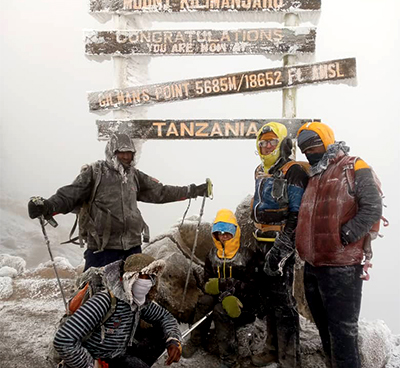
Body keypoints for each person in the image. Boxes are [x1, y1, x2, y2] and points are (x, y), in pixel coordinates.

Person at [28, 132, 210, 270]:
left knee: (135, 297)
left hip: (132, 247)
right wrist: (48, 205)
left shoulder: (134, 176)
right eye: (121, 152)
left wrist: (193, 190)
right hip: (102, 249)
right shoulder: (95, 172)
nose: (125, 156)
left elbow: (161, 192)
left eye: (129, 153)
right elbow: (69, 195)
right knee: (96, 299)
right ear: (111, 152)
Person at [295, 122, 382, 368]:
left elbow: (373, 207)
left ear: (327, 140)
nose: (309, 151)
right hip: (312, 266)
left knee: (343, 334)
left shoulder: (354, 165)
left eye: (314, 144)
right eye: (304, 148)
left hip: (341, 268)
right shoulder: (314, 175)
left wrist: (343, 236)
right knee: (325, 330)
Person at [53, 253, 182, 368]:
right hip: (93, 358)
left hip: (117, 356)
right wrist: (92, 364)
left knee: (158, 333)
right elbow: (64, 339)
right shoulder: (104, 301)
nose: (147, 282)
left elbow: (165, 316)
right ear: (127, 277)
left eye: (151, 277)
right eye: (142, 275)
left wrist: (173, 338)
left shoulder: (140, 302)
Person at [250, 122, 309, 368]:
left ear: (283, 144)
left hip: (280, 242)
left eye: (272, 142)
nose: (266, 146)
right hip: (260, 241)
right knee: (268, 298)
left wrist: (283, 248)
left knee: (284, 300)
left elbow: (297, 213)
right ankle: (272, 349)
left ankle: (289, 358)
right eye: (262, 143)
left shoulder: (292, 170)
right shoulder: (260, 170)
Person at [182, 209, 256, 368]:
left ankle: (229, 358)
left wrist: (227, 287)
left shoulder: (247, 255)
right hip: (223, 298)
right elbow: (208, 283)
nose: (224, 235)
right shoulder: (211, 255)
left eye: (228, 231)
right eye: (219, 232)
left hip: (243, 304)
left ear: (235, 231)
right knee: (204, 301)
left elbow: (253, 287)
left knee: (220, 310)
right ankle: (196, 340)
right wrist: (219, 292)